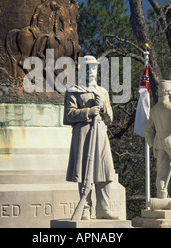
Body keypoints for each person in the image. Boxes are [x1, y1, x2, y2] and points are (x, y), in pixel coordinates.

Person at [64, 56, 118, 220]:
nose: (91, 71)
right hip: (84, 133)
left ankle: (103, 208)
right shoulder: (73, 90)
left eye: (94, 68)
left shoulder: (103, 92)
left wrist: (103, 108)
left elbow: (110, 119)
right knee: (84, 172)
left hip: (101, 132)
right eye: (88, 68)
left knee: (106, 170)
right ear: (81, 70)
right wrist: (88, 112)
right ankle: (86, 208)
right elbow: (68, 115)